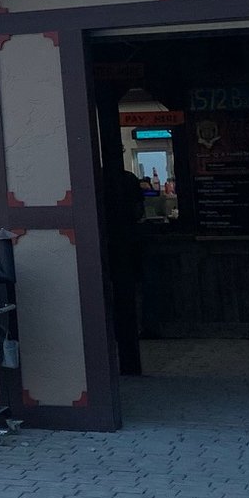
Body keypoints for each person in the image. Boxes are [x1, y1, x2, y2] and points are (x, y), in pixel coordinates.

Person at [104, 161, 147, 377]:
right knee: (132, 287)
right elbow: (139, 211)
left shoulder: (96, 179)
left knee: (107, 288)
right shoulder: (128, 179)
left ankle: (111, 330)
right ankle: (135, 329)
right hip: (129, 241)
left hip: (105, 243)